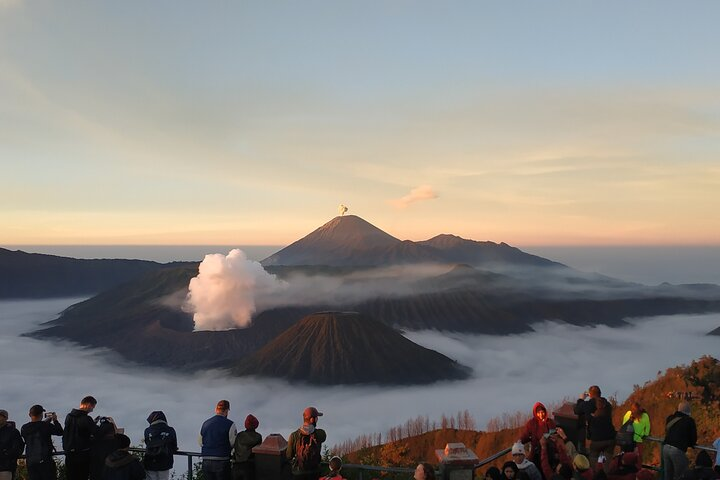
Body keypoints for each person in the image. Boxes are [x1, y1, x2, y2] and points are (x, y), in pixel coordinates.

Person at [574, 386, 616, 471]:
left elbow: (576, 410)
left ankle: (594, 475)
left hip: (596, 439)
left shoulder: (589, 404)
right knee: (606, 465)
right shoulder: (608, 405)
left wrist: (581, 399)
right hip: (611, 438)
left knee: (593, 462)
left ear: (589, 394)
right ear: (600, 394)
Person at [21, 405, 64, 480]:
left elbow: (36, 427)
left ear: (30, 414)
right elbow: (60, 431)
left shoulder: (24, 427)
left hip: (31, 461)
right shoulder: (46, 426)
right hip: (45, 460)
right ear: (41, 414)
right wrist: (55, 420)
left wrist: (45, 422)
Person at [64, 396, 100, 480]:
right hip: (82, 455)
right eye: (92, 407)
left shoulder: (69, 417)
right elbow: (97, 432)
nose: (92, 410)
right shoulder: (86, 419)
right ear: (88, 405)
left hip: (69, 454)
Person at [200, 400, 237, 480]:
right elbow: (233, 442)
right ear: (227, 411)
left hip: (206, 460)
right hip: (222, 461)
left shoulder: (205, 423)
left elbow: (200, 442)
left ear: (216, 409)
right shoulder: (230, 424)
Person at [287, 407, 327, 480]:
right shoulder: (321, 434)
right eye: (316, 418)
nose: (317, 419)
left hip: (298, 474)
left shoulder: (294, 436)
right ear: (312, 419)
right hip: (314, 473)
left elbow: (289, 456)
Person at [663, 402, 697, 480]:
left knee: (668, 475)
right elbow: (693, 438)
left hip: (666, 447)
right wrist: (690, 444)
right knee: (681, 475)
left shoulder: (670, 418)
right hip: (677, 450)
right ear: (688, 411)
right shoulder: (689, 421)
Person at [520, 402, 557, 469]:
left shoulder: (550, 422)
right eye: (538, 412)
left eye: (542, 412)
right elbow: (525, 434)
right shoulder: (531, 423)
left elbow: (554, 433)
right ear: (535, 413)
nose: (541, 414)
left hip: (549, 451)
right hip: (536, 451)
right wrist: (520, 441)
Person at [143, 411, 178, 480]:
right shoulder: (170, 430)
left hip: (150, 460)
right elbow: (174, 445)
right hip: (164, 461)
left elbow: (147, 443)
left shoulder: (147, 431)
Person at [231, 414, 262, 480]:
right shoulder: (258, 437)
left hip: (236, 466)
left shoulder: (239, 435)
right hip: (249, 467)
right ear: (256, 425)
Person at [0, 409, 25, 480]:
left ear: (6, 418)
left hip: (6, 468)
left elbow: (19, 448)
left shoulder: (13, 431)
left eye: (1, 416)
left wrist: (6, 454)